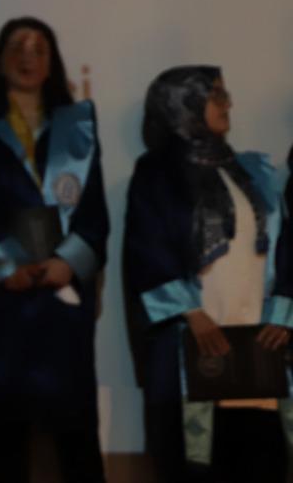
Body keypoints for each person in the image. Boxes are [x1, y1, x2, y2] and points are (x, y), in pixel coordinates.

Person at [0, 17, 107, 482]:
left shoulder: (77, 125)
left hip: (62, 299)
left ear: (53, 63)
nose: (27, 57)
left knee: (77, 441)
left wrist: (69, 262)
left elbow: (93, 209)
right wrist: (3, 267)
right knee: (7, 443)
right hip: (3, 306)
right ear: (0, 60)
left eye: (38, 49)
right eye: (17, 47)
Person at [124, 67, 291, 483]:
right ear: (184, 103)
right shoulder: (157, 173)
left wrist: (283, 312)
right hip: (192, 346)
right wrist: (192, 313)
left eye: (224, 94)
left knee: (261, 462)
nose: (227, 103)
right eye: (215, 94)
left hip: (255, 349)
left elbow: (285, 245)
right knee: (196, 464)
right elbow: (147, 248)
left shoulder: (252, 171)